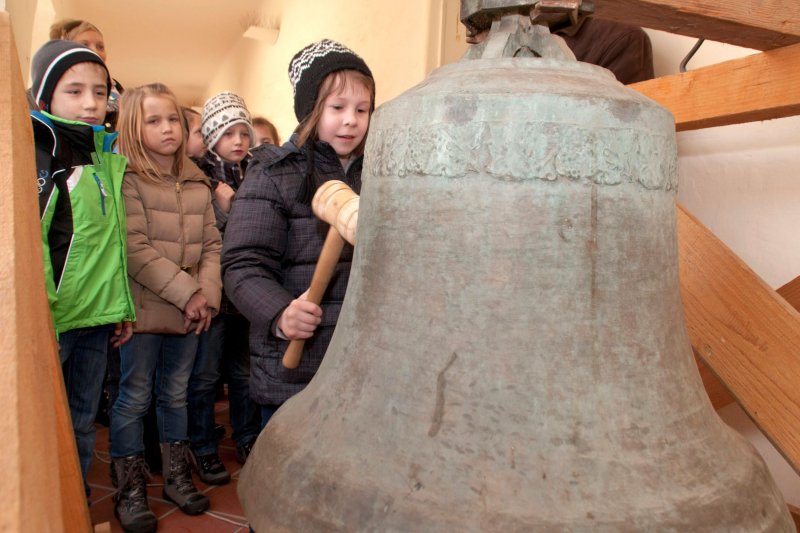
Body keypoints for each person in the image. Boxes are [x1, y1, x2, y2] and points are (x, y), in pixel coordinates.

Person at [221, 39, 375, 428]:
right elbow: (243, 264)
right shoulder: (274, 174)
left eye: (362, 109)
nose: (351, 120)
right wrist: (280, 313)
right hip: (295, 364)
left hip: (362, 362)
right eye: (337, 108)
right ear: (310, 110)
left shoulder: (379, 174)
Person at [111, 83, 222, 532]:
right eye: (153, 120)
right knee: (134, 398)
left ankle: (175, 475)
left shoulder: (198, 183)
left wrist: (207, 296)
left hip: (189, 314)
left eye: (173, 119)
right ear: (134, 128)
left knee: (175, 394)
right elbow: (134, 248)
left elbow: (213, 244)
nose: (167, 128)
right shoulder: (128, 179)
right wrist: (187, 292)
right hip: (144, 312)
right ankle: (130, 487)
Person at [29, 40, 135, 498]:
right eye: (74, 91)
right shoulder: (42, 154)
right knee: (39, 429)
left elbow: (109, 245)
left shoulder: (102, 155)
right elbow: (32, 243)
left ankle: (74, 504)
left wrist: (121, 307)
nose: (91, 103)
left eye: (100, 91)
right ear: (44, 98)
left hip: (95, 320)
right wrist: (39, 318)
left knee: (81, 423)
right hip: (53, 323)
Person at [186, 92, 261, 486]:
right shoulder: (199, 179)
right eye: (228, 132)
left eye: (243, 133)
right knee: (205, 375)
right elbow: (205, 239)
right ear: (212, 136)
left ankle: (247, 437)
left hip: (246, 296)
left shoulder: (258, 174)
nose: (238, 141)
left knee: (244, 374)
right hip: (215, 295)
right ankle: (202, 446)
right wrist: (227, 208)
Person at [48, 19, 125, 129]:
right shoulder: (49, 86)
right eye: (84, 44)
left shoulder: (115, 85)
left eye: (100, 47)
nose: (95, 51)